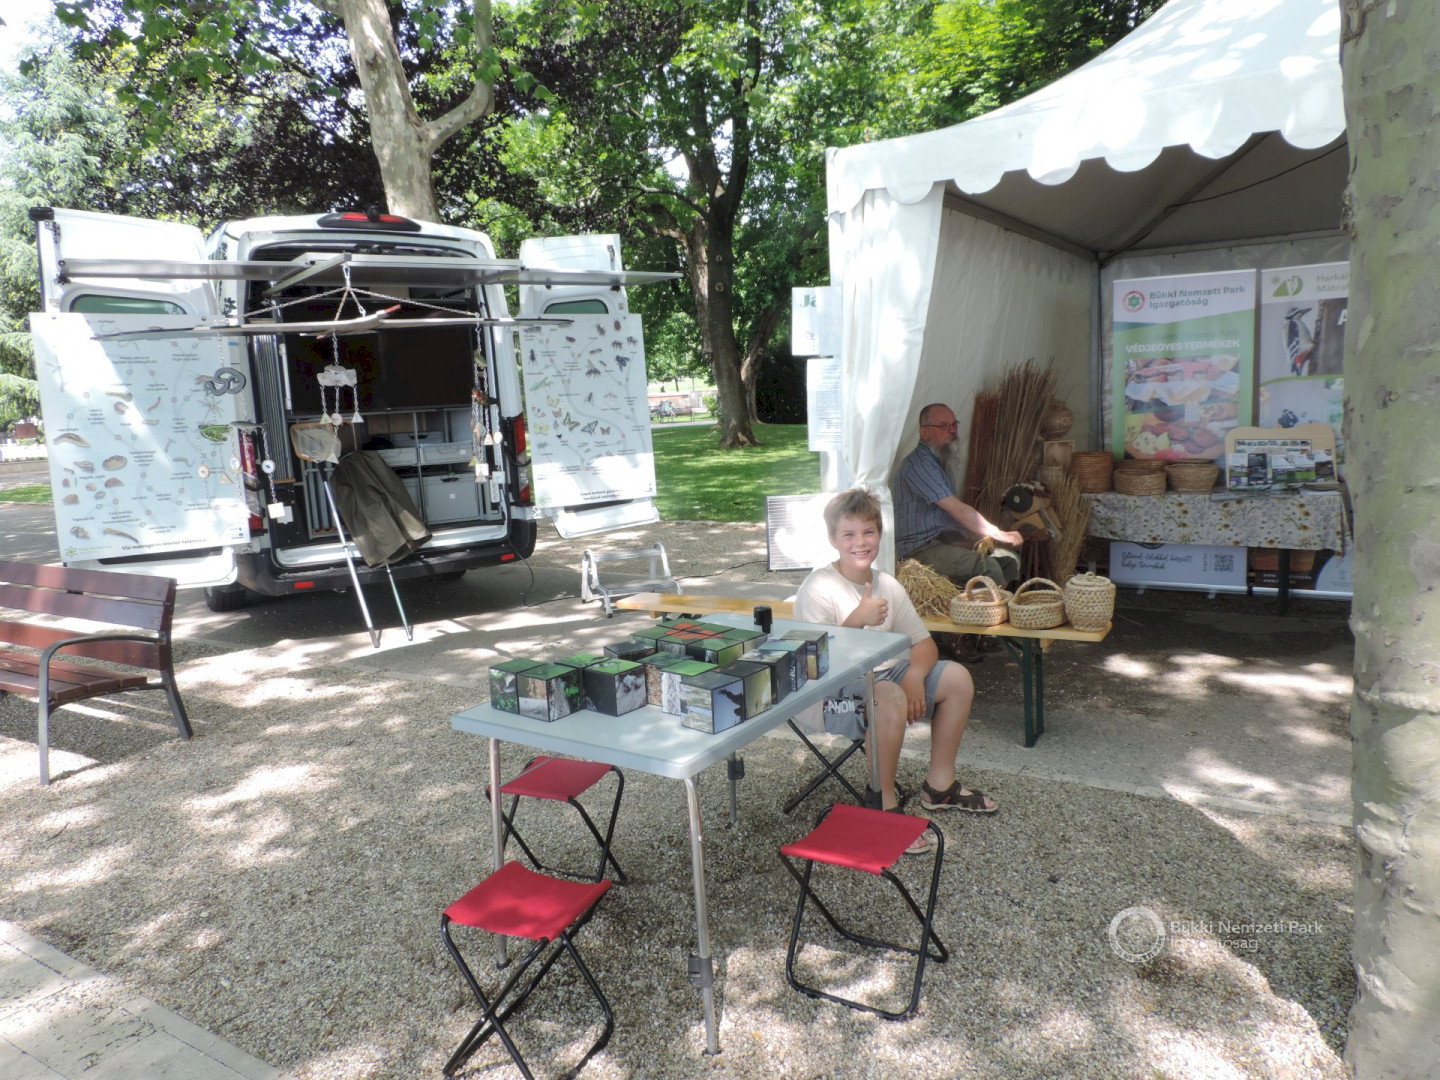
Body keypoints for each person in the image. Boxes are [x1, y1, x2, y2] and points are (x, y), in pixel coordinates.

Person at [794, 488, 997, 854]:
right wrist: (857, 619)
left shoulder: (886, 584)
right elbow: (816, 663)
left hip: (885, 680)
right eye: (848, 534)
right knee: (889, 696)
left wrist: (915, 677)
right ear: (832, 539)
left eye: (868, 532)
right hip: (827, 693)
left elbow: (924, 645)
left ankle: (939, 786)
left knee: (957, 679)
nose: (860, 542)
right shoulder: (819, 587)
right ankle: (882, 807)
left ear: (880, 533)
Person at [893, 402, 1025, 586]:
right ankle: (986, 604)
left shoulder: (940, 460)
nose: (952, 431)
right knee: (989, 568)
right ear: (924, 433)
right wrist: (1000, 534)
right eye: (943, 426)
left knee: (1008, 561)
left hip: (945, 541)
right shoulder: (919, 465)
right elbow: (958, 510)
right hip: (921, 549)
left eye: (954, 425)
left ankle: (986, 600)